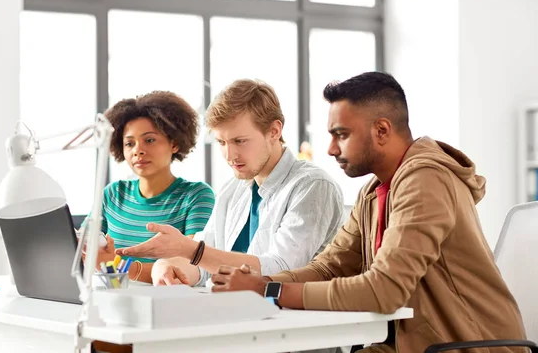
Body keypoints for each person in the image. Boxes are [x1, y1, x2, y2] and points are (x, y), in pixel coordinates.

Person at [209, 72, 526, 353]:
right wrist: (257, 283)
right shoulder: (374, 192)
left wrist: (268, 289)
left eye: (342, 134)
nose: (332, 148)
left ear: (382, 130)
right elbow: (329, 267)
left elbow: (382, 290)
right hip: (410, 342)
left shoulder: (426, 180)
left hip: (467, 345)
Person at [115, 79, 344, 288]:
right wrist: (168, 266)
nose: (229, 154)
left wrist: (190, 251)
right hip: (233, 314)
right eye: (221, 142)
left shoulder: (312, 186)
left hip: (289, 322)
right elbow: (203, 265)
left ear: (274, 131)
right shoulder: (233, 189)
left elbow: (281, 269)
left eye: (239, 141)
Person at [92, 91, 215, 284]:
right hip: (115, 296)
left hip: (167, 302)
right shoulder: (113, 194)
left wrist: (117, 266)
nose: (137, 150)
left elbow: (194, 265)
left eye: (149, 140)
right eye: (129, 143)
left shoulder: (196, 196)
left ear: (174, 143)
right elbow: (86, 250)